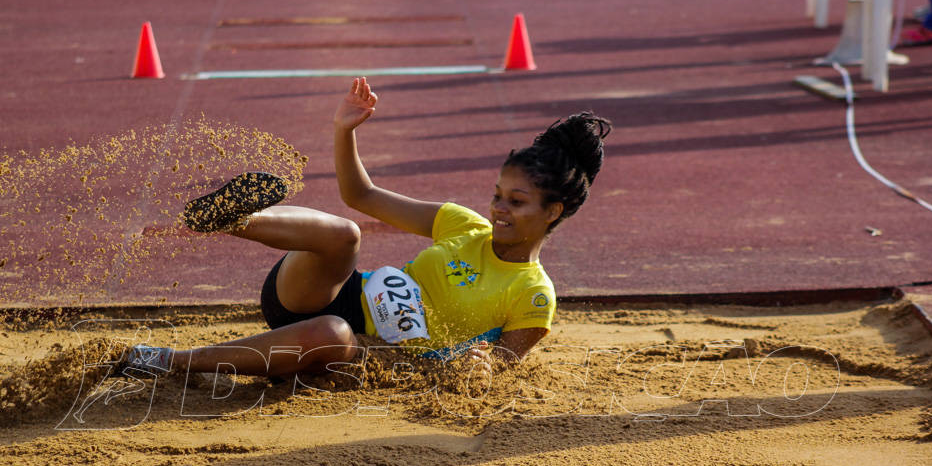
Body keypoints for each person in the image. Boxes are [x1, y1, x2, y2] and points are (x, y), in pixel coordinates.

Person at [126, 78, 611, 379]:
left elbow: (499, 371)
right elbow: (361, 197)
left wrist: (481, 369)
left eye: (517, 202)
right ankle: (234, 218)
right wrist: (345, 130)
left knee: (333, 332)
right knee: (346, 235)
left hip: (373, 353)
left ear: (554, 211)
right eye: (498, 196)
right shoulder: (466, 225)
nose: (499, 209)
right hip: (324, 293)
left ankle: (169, 360)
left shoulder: (534, 295)